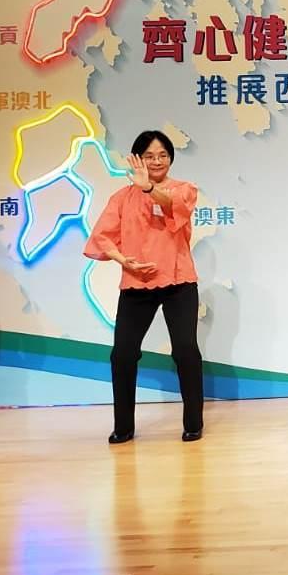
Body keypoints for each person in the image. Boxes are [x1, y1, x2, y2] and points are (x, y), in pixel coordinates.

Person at [84, 130, 205, 443]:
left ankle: (194, 423)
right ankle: (123, 427)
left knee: (185, 350)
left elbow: (174, 207)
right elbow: (102, 237)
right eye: (149, 156)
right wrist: (123, 260)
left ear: (171, 159)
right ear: (137, 159)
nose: (157, 161)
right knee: (122, 355)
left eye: (162, 155)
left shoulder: (184, 189)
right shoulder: (122, 198)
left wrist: (149, 187)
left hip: (178, 282)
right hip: (137, 283)